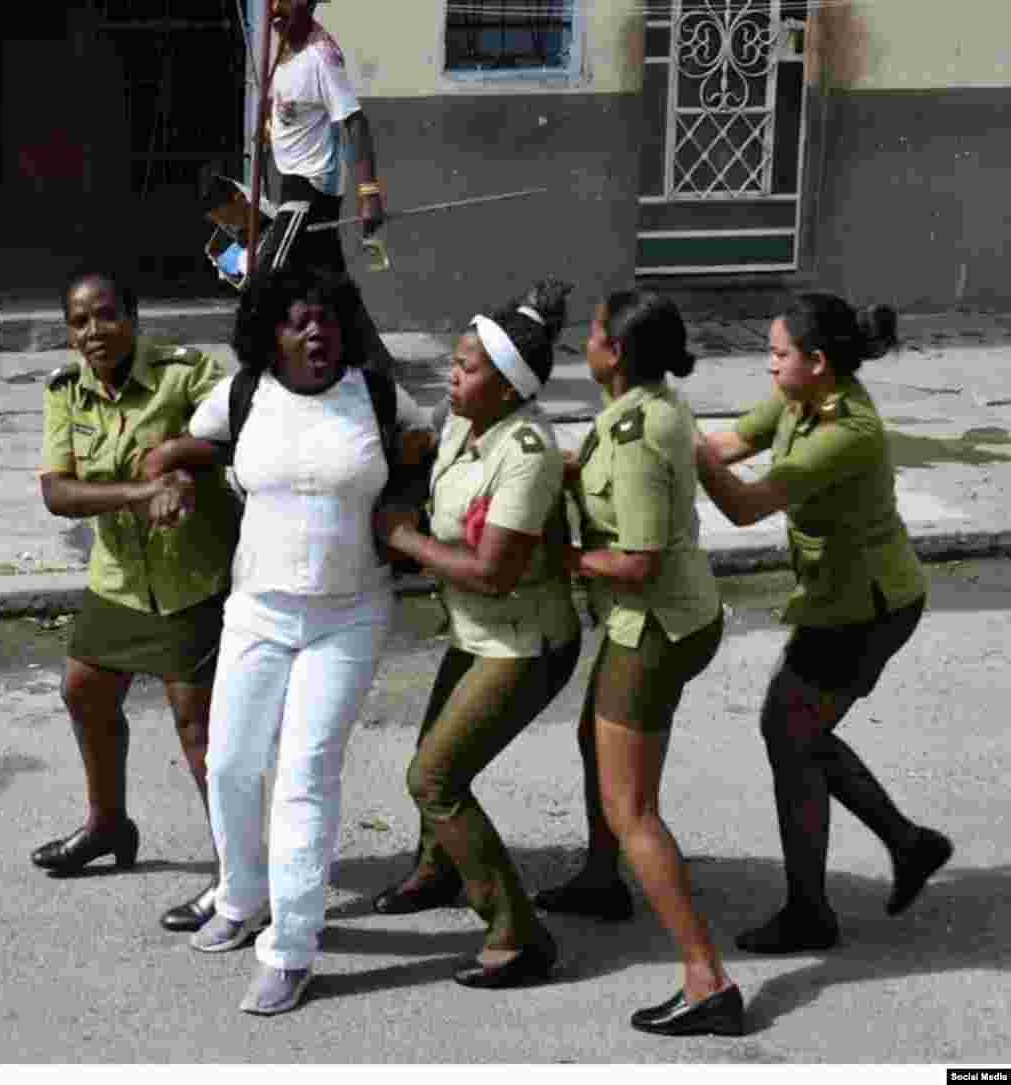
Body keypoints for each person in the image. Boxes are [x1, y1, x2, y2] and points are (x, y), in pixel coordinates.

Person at [175, 267, 430, 1017]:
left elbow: (427, 442)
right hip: (256, 609)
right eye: (297, 321)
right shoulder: (242, 394)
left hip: (348, 616)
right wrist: (168, 472)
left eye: (326, 319)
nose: (316, 332)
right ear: (270, 333)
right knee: (229, 762)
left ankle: (290, 948)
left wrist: (407, 490)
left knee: (304, 775)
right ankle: (240, 896)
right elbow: (192, 444)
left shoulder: (375, 393)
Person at [694, 292, 953, 954]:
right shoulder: (798, 396)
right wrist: (671, 444)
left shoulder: (848, 432)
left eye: (778, 353)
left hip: (868, 608)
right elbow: (726, 444)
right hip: (837, 600)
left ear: (816, 362)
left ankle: (817, 906)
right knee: (795, 733)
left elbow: (746, 504)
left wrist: (681, 446)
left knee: (791, 733)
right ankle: (904, 844)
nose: (768, 364)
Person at [532, 290, 742, 1037]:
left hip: (653, 625)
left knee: (634, 809)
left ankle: (707, 978)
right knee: (595, 739)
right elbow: (602, 474)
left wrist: (558, 559)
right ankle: (600, 879)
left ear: (615, 352)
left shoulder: (636, 434)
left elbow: (638, 561)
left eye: (593, 332)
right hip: (672, 614)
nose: (584, 340)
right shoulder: (650, 405)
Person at [372, 280, 582, 990]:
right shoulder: (465, 419)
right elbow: (428, 456)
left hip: (523, 643)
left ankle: (516, 933)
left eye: (466, 367)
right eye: (455, 362)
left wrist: (404, 538)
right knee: (433, 754)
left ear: (508, 385)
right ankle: (438, 870)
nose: (451, 376)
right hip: (475, 631)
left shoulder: (526, 451)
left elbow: (494, 572)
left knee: (434, 776)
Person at [33, 268, 240, 935]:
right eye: (79, 320)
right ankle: (108, 824)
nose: (94, 331)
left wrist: (178, 457)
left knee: (197, 728)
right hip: (118, 578)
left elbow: (241, 429)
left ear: (134, 315)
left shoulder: (185, 373)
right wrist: (140, 492)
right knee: (84, 692)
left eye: (106, 314)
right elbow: (58, 492)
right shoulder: (66, 391)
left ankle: (236, 873)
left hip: (191, 579)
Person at [258, 0, 392, 373]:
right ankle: (372, 360)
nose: (275, 9)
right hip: (290, 181)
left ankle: (259, 362)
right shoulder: (280, 49)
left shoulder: (322, 55)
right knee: (329, 280)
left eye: (286, 2)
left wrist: (368, 193)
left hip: (311, 187)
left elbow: (355, 122)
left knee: (267, 272)